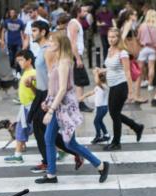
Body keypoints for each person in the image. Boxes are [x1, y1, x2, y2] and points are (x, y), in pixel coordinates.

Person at [37, 32, 109, 185]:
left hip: (65, 106)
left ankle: (101, 165)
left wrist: (51, 110)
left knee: (70, 143)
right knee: (49, 138)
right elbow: (53, 85)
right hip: (58, 104)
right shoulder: (58, 60)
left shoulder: (64, 62)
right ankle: (51, 174)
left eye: (52, 41)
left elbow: (63, 89)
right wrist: (48, 101)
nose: (49, 43)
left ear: (60, 43)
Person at [26, 20, 82, 175]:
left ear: (43, 32)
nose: (32, 33)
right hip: (40, 92)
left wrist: (50, 99)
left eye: (35, 30)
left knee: (43, 129)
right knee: (41, 128)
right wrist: (34, 81)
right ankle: (66, 154)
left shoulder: (48, 50)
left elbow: (53, 75)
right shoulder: (41, 49)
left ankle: (52, 160)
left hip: (46, 94)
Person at [100, 27, 144, 151]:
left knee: (114, 114)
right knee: (114, 113)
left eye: (114, 37)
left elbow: (127, 72)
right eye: (109, 37)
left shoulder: (122, 52)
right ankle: (136, 127)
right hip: (112, 85)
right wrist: (102, 70)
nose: (111, 39)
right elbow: (110, 67)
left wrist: (131, 92)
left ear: (118, 38)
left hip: (121, 85)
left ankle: (116, 142)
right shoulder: (109, 50)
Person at [4, 50, 36, 164]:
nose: (19, 63)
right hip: (25, 107)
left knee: (42, 131)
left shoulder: (33, 73)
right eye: (18, 61)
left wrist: (31, 84)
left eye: (22, 60)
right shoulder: (25, 72)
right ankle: (18, 155)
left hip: (32, 107)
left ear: (29, 60)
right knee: (20, 129)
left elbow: (38, 92)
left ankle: (60, 150)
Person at [67, 3, 93, 112]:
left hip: (77, 54)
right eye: (84, 11)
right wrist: (78, 58)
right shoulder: (74, 24)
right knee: (80, 80)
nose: (86, 13)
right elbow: (73, 43)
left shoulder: (77, 23)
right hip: (75, 55)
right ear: (78, 12)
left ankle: (79, 102)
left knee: (80, 80)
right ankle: (79, 103)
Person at [79, 69, 110, 144]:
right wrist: (82, 97)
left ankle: (98, 136)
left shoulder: (104, 86)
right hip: (101, 108)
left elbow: (97, 82)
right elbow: (91, 92)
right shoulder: (98, 87)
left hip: (103, 108)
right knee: (99, 121)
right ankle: (106, 135)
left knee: (96, 122)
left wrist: (96, 73)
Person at [137, 9, 156, 92]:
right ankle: (150, 85)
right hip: (153, 49)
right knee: (151, 68)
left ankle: (140, 82)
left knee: (140, 67)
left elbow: (138, 38)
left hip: (143, 48)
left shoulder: (142, 26)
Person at [1, 8, 26, 75]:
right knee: (11, 58)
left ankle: (18, 71)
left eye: (13, 13)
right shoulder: (6, 21)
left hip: (18, 42)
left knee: (18, 57)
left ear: (15, 13)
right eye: (10, 13)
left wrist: (24, 43)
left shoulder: (20, 22)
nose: (11, 14)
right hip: (10, 42)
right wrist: (2, 40)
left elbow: (23, 33)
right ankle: (13, 68)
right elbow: (3, 31)